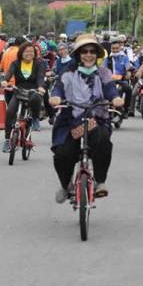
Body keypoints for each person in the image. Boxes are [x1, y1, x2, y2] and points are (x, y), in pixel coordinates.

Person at [49, 33, 124, 203]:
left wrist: (115, 98)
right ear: (78, 54)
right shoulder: (67, 72)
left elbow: (110, 88)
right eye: (84, 51)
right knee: (62, 154)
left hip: (96, 119)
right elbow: (58, 88)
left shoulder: (103, 72)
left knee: (103, 141)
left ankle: (100, 182)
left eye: (92, 51)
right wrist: (55, 97)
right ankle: (65, 185)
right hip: (70, 120)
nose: (88, 55)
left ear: (97, 54)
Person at [1, 42, 46, 152]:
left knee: (36, 99)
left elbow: (40, 77)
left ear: (35, 53)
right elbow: (8, 74)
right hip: (18, 91)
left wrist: (40, 87)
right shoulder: (15, 63)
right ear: (21, 53)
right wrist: (4, 81)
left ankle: (35, 118)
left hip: (33, 91)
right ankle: (7, 140)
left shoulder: (39, 63)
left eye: (31, 52)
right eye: (26, 51)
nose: (29, 54)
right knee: (10, 112)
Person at [104, 39, 133, 117]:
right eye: (113, 48)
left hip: (122, 81)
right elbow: (103, 68)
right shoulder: (107, 59)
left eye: (117, 48)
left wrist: (129, 72)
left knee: (129, 89)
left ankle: (126, 109)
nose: (115, 50)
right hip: (110, 81)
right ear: (111, 49)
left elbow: (128, 67)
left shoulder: (124, 58)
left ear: (120, 48)